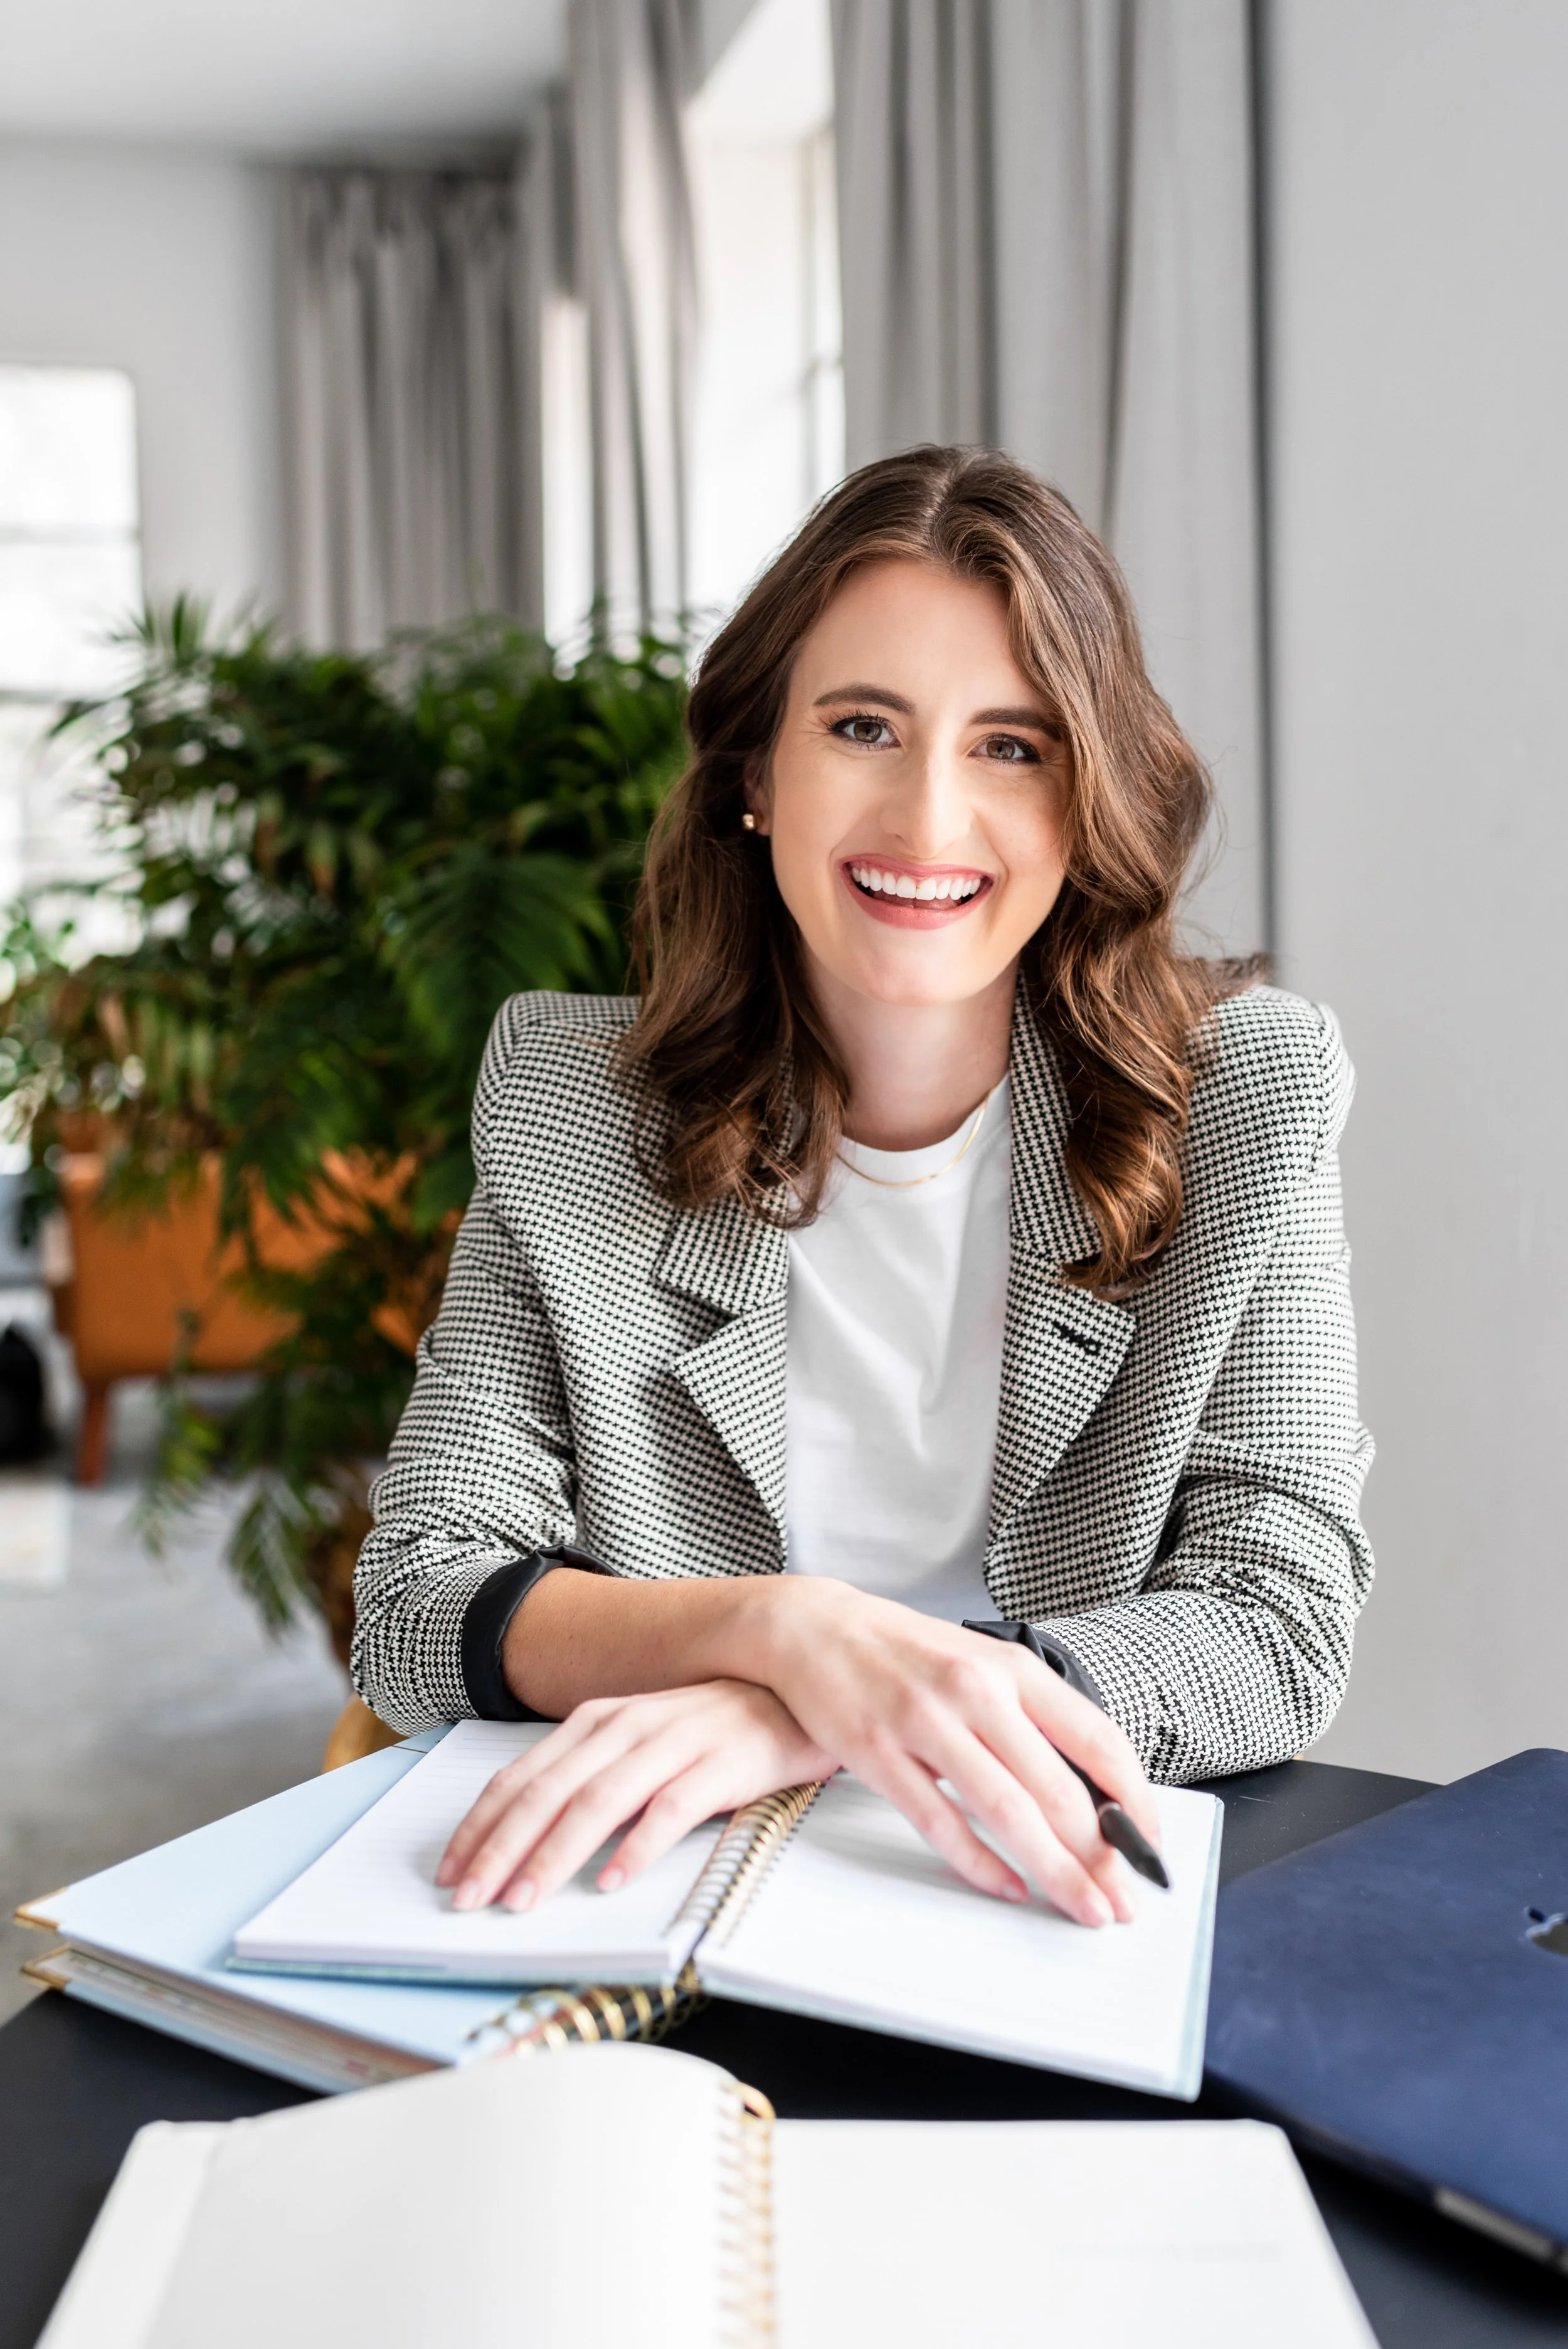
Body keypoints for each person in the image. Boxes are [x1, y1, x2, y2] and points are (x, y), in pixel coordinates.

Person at [351, 445, 1374, 1934]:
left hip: (1026, 1887)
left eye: (1010, 747)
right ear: (758, 772)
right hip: (654, 1899)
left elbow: (1277, 1621)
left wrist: (820, 1715)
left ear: (1084, 804)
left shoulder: (1246, 1100)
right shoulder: (565, 1102)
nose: (925, 818)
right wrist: (789, 1634)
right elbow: (420, 1600)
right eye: (861, 726)